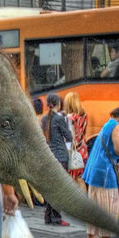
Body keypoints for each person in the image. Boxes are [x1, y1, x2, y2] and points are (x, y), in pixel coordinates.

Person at [83, 106, 119, 238]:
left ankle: (92, 235)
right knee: (109, 204)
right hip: (104, 171)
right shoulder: (116, 126)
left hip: (94, 168)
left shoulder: (107, 124)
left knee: (95, 203)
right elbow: (118, 149)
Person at [40, 92, 72, 225]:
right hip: (60, 156)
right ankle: (56, 217)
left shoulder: (44, 119)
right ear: (58, 104)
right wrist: (68, 122)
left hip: (49, 156)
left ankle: (48, 216)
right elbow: (69, 136)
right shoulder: (59, 119)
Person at [63, 92, 90, 190]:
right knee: (80, 179)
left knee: (70, 180)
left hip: (73, 152)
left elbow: (70, 137)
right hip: (83, 150)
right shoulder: (84, 116)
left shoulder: (69, 118)